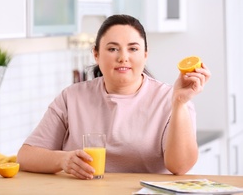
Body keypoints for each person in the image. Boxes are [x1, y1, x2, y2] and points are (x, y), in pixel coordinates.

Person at [17, 14, 211, 180]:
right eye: (112, 49)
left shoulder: (171, 99)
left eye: (133, 49)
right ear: (96, 54)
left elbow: (180, 167)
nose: (123, 57)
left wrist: (179, 103)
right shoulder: (72, 97)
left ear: (145, 55)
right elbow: (26, 156)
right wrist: (63, 160)